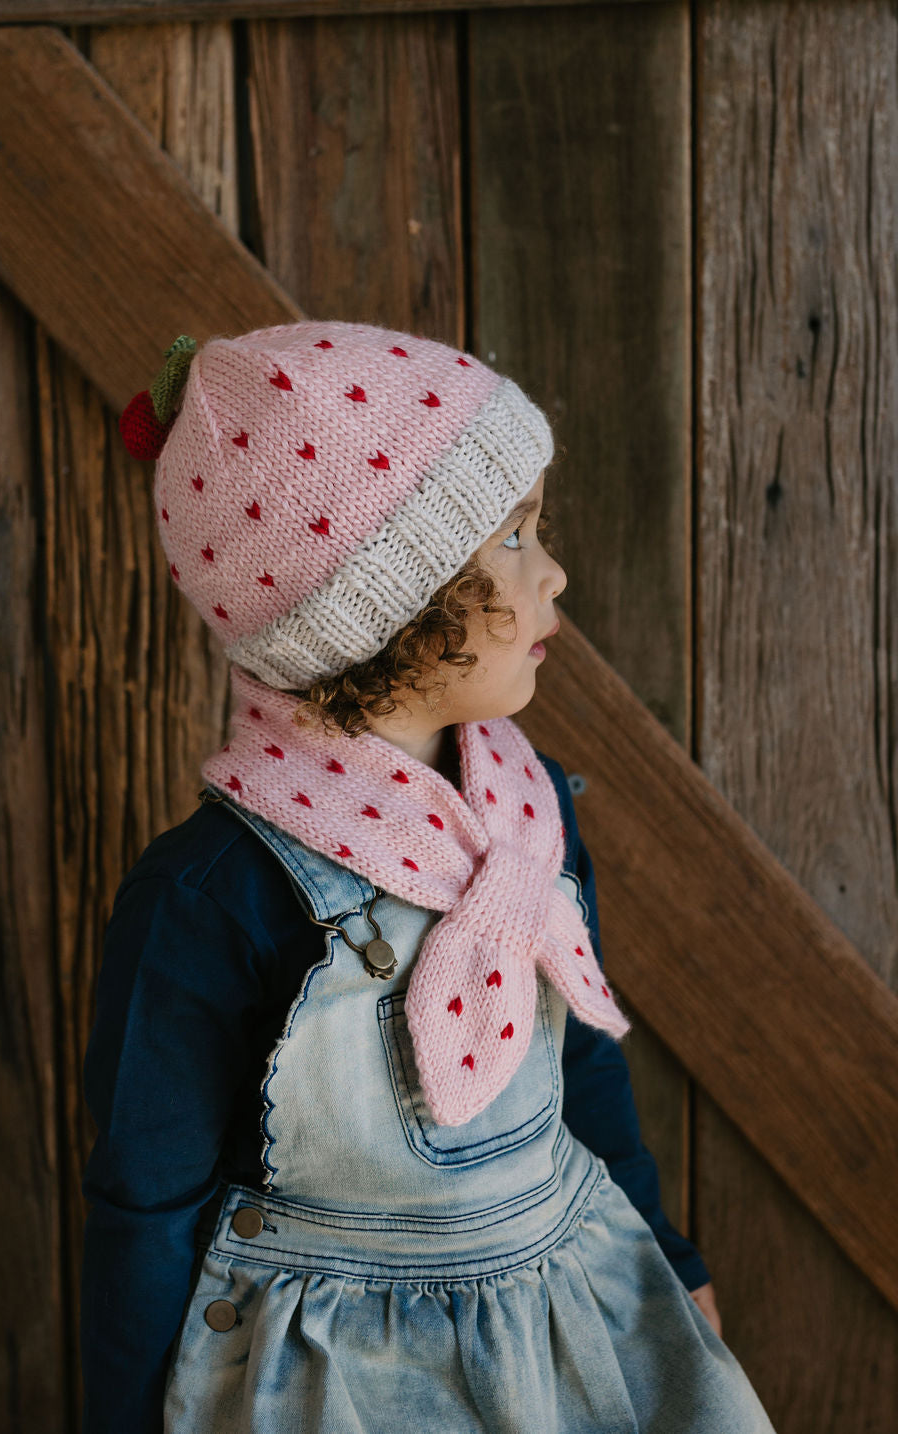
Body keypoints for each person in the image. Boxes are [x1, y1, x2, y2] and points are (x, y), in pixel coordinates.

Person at [80, 321, 777, 1432]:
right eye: (511, 537)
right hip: (342, 1374)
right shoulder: (210, 895)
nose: (552, 571)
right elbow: (146, 1205)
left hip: (562, 1327)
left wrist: (663, 1251)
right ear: (385, 607)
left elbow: (580, 1066)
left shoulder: (524, 805)